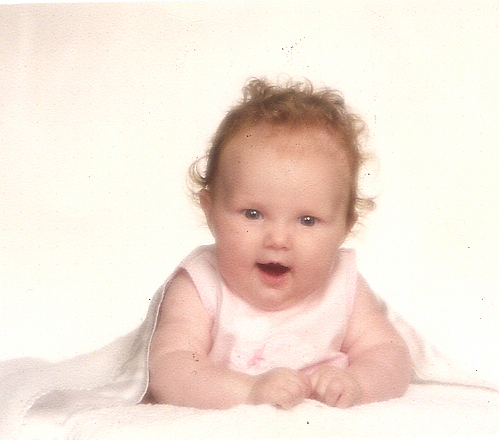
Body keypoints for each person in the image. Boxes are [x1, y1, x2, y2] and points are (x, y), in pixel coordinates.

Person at [147, 78, 412, 410]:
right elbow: (169, 367)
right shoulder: (200, 286)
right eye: (253, 214)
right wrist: (249, 392)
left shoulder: (344, 287)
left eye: (307, 220)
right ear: (210, 210)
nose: (278, 239)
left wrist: (358, 383)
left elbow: (389, 354)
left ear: (345, 227)